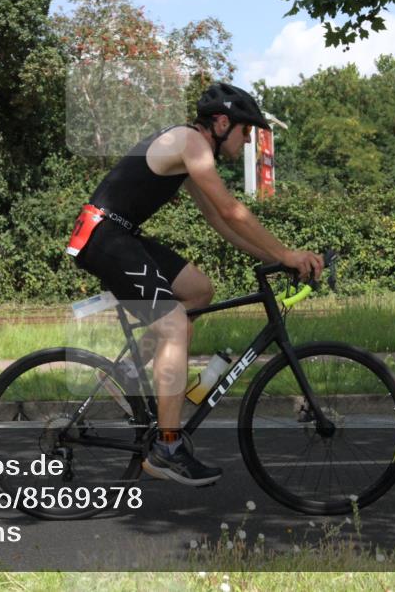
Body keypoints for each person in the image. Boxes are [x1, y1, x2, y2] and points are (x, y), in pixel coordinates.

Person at [66, 82, 323, 486]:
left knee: (198, 291)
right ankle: (167, 448)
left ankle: (131, 372)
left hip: (118, 234)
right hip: (104, 237)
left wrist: (275, 258)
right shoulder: (190, 143)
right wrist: (289, 254)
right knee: (173, 325)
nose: (247, 140)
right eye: (245, 131)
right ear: (222, 123)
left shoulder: (189, 152)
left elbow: (221, 222)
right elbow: (232, 209)